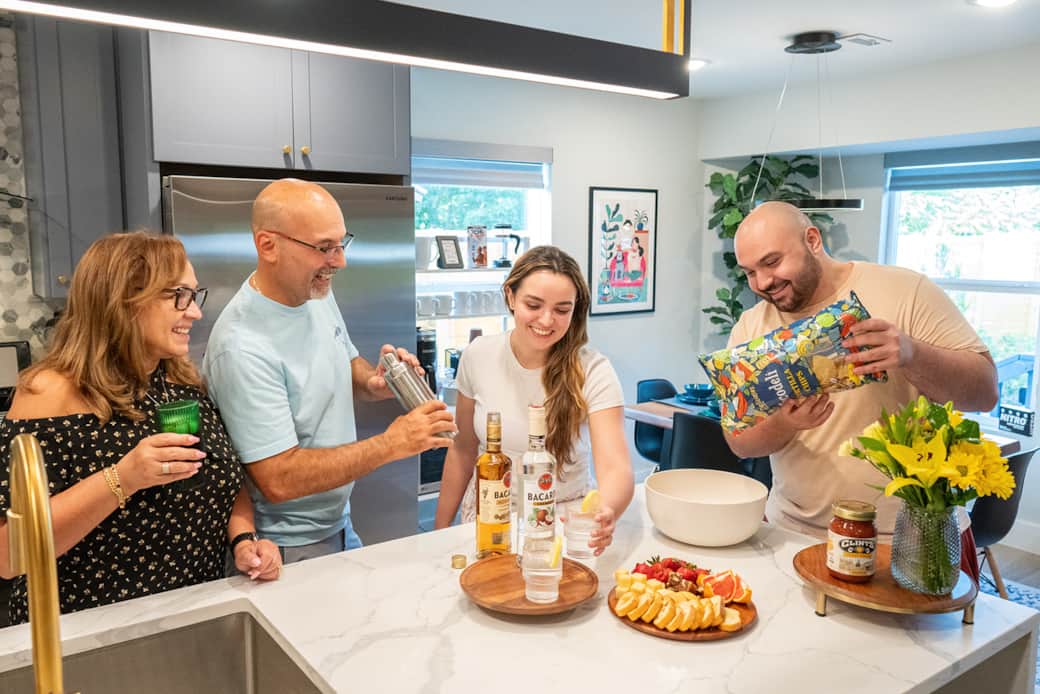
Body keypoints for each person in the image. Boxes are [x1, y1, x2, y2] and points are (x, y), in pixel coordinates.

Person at [0, 232, 280, 625]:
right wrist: (122, 478)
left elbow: (224, 480)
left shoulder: (179, 381)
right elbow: (10, 555)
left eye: (193, 295)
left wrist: (244, 540)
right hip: (86, 633)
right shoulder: (49, 393)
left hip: (195, 616)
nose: (195, 312)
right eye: (178, 296)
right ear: (123, 302)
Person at [203, 179, 455, 563]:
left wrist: (374, 381)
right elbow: (278, 478)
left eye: (341, 244)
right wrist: (392, 444)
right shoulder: (241, 346)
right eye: (324, 248)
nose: (340, 261)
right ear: (268, 245)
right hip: (283, 547)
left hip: (340, 524)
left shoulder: (312, 291)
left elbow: (344, 357)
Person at [724, 201, 998, 536]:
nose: (763, 282)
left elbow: (985, 393)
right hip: (796, 533)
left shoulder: (905, 291)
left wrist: (912, 354)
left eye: (772, 262)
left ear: (812, 240)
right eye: (750, 272)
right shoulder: (751, 328)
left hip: (911, 537)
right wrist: (785, 423)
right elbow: (739, 442)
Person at [434, 245, 633, 555]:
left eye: (562, 309)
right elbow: (461, 451)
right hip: (490, 516)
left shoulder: (593, 370)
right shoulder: (478, 354)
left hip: (563, 521)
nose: (547, 319)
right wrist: (439, 533)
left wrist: (607, 511)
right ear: (510, 296)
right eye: (534, 304)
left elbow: (616, 468)